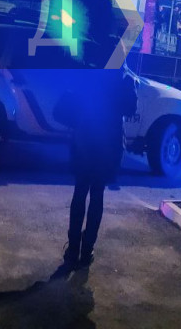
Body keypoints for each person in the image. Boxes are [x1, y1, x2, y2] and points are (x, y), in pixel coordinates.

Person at [63, 65, 137, 268]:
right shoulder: (124, 78)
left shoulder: (91, 71)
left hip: (85, 139)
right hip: (108, 145)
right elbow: (130, 109)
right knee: (97, 194)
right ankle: (87, 250)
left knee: (80, 192)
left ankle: (73, 250)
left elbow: (74, 99)